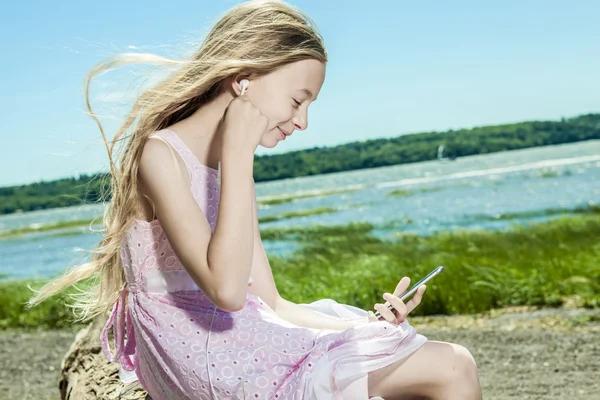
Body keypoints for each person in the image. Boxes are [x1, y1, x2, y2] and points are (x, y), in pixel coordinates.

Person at [29, 1, 482, 398]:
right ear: (243, 79)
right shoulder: (161, 154)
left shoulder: (229, 168)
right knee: (452, 365)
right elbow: (226, 292)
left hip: (243, 340)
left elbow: (272, 303)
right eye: (298, 99)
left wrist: (365, 325)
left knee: (409, 354)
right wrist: (237, 155)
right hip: (205, 358)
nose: (302, 121)